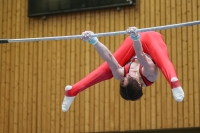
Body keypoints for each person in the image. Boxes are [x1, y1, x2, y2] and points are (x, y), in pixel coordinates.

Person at [62, 27, 184, 112]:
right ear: (138, 83)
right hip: (152, 40)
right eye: (129, 77)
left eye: (124, 78)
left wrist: (93, 40)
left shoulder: (121, 75)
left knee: (107, 69)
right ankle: (174, 82)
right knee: (162, 60)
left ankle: (72, 91)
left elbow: (109, 57)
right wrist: (136, 38)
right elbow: (141, 56)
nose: (126, 75)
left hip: (134, 43)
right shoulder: (150, 75)